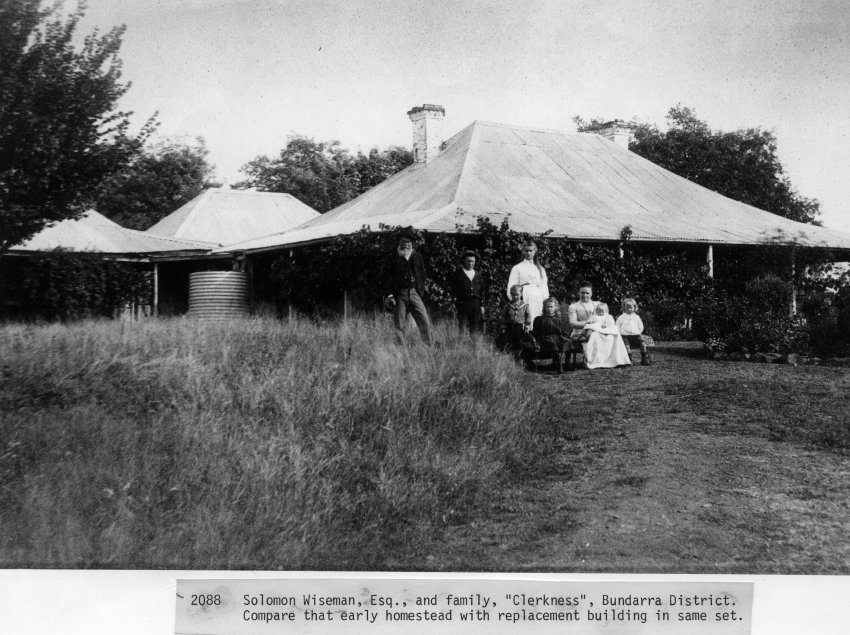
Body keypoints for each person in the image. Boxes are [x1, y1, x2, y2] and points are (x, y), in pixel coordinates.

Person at [383, 232, 432, 344]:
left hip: (414, 293)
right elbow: (387, 278)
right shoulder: (393, 258)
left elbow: (423, 275)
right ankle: (401, 350)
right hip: (400, 294)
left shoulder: (417, 257)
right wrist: (390, 295)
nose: (406, 245)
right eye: (403, 242)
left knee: (424, 321)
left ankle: (428, 347)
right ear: (399, 244)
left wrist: (420, 290)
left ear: (412, 244)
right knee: (399, 324)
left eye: (408, 243)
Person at [506, 240, 549, 322]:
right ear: (523, 251)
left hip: (537, 297)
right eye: (526, 251)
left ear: (535, 251)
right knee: (524, 319)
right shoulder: (517, 268)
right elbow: (511, 285)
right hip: (523, 296)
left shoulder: (540, 269)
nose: (528, 253)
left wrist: (544, 301)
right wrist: (515, 301)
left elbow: (543, 286)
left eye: (530, 251)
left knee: (536, 319)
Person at [527, 297, 573, 373]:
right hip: (545, 338)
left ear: (555, 307)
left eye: (551, 307)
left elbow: (559, 332)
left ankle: (567, 364)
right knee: (553, 344)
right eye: (547, 307)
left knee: (568, 342)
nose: (549, 309)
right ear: (544, 308)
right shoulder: (540, 319)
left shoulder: (557, 319)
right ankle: (559, 367)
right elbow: (536, 331)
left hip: (556, 337)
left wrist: (563, 337)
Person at [581, 302, 631, 369]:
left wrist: (606, 325)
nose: (601, 312)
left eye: (603, 311)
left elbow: (611, 324)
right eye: (599, 310)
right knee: (594, 335)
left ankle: (613, 359)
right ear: (596, 311)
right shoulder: (594, 317)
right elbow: (589, 323)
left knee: (612, 337)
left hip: (606, 332)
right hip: (597, 333)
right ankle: (596, 360)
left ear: (606, 311)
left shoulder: (608, 317)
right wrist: (590, 322)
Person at [450, 250, 486, 333]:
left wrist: (482, 305)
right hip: (463, 303)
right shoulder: (458, 274)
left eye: (472, 261)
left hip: (475, 304)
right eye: (468, 261)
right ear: (464, 261)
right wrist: (455, 302)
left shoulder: (478, 275)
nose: (470, 263)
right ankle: (463, 343)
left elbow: (482, 291)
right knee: (462, 325)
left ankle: (473, 343)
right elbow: (453, 290)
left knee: (475, 326)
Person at [616, 297, 651, 366]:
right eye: (627, 307)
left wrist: (638, 332)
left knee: (643, 344)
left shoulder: (636, 317)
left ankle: (644, 358)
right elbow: (617, 327)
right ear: (624, 308)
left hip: (636, 335)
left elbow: (641, 326)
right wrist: (620, 333)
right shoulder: (621, 317)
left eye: (631, 307)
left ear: (634, 307)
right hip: (625, 336)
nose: (629, 309)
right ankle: (630, 359)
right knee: (627, 347)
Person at [499, 284, 532, 357]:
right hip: (509, 327)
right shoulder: (508, 305)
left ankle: (518, 357)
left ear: (521, 294)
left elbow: (528, 316)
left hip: (520, 328)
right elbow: (503, 317)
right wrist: (503, 327)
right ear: (510, 294)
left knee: (519, 343)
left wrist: (527, 326)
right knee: (509, 342)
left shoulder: (525, 305)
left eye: (517, 295)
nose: (515, 297)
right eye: (513, 295)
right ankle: (509, 357)